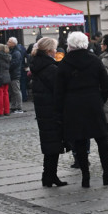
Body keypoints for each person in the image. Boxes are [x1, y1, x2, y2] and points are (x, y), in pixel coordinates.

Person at [57, 31, 108, 187]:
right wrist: (100, 100)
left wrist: (63, 108)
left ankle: (85, 176)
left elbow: (59, 90)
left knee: (80, 141)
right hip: (93, 102)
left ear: (70, 45)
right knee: (102, 140)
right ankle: (107, 174)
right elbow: (107, 85)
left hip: (73, 105)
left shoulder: (64, 63)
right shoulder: (95, 60)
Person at [30, 37, 67, 187]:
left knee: (50, 144)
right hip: (52, 110)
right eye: (54, 49)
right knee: (54, 144)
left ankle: (49, 176)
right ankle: (50, 176)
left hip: (43, 110)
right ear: (48, 51)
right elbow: (59, 90)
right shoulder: (50, 68)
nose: (56, 51)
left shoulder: (38, 64)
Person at [7, 37, 25, 113]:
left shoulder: (16, 52)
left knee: (16, 91)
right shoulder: (13, 51)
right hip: (12, 74)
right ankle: (14, 106)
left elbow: (15, 63)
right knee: (13, 91)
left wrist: (7, 67)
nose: (7, 43)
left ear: (13, 43)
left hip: (14, 74)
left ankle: (19, 107)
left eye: (9, 42)